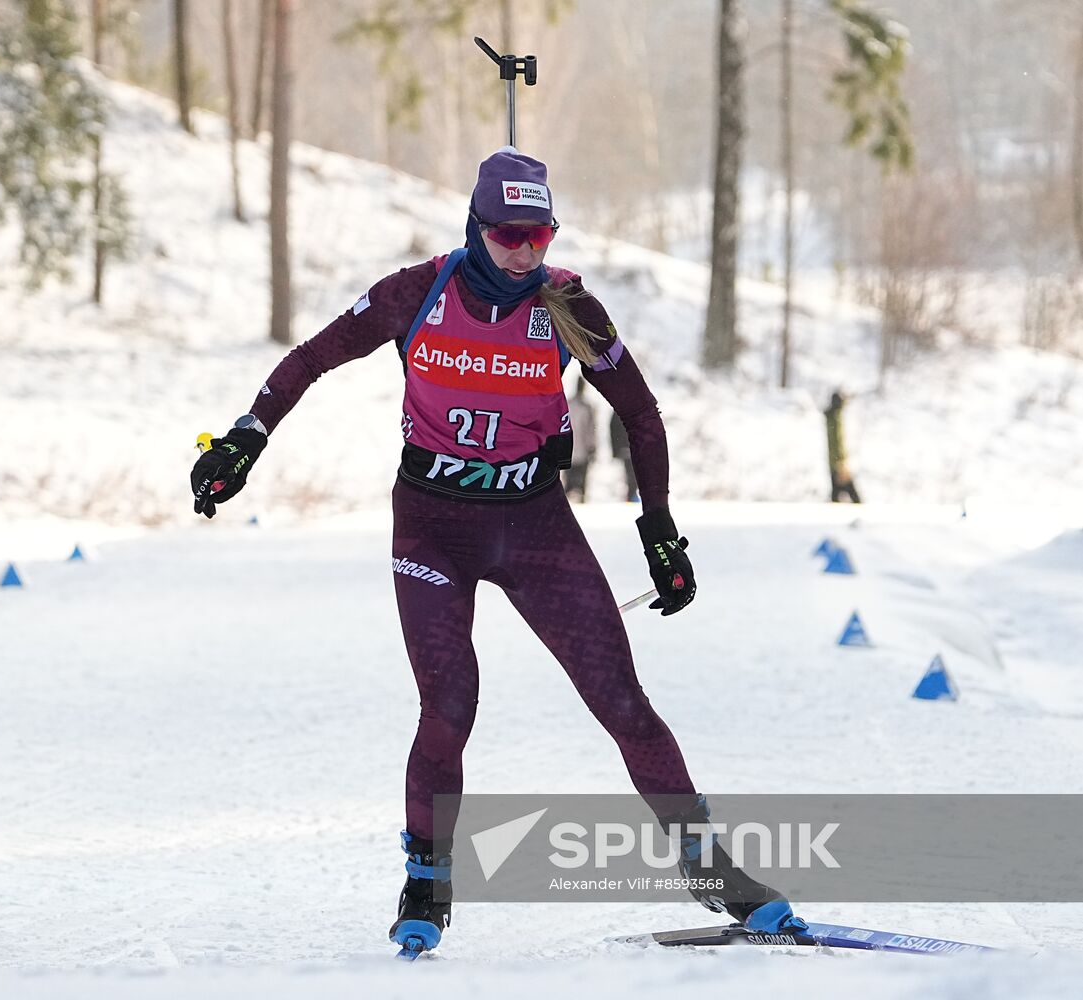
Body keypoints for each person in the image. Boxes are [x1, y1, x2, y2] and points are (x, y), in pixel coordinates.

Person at [190, 148, 806, 955]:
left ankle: (711, 870)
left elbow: (641, 414)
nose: (524, 253)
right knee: (449, 704)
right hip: (431, 525)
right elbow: (309, 360)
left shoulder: (567, 306)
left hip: (533, 522)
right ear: (476, 227)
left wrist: (657, 529)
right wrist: (246, 438)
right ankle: (426, 878)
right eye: (508, 235)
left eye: (539, 235)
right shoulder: (415, 291)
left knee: (620, 700)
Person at [561, 375, 596, 502]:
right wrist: (592, 447)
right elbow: (590, 429)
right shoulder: (586, 407)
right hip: (582, 449)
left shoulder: (568, 404)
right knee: (581, 481)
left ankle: (566, 502)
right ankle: (581, 499)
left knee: (569, 480)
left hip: (569, 448)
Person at [823, 390, 861, 503]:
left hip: (834, 461)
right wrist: (840, 461)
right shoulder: (835, 418)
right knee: (853, 495)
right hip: (838, 462)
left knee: (836, 494)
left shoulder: (832, 416)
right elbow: (837, 442)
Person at [610, 409, 639, 502]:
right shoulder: (622, 411)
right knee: (632, 475)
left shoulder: (618, 411)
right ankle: (631, 496)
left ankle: (632, 495)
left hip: (628, 448)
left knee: (632, 474)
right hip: (627, 449)